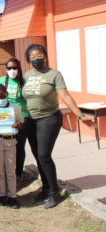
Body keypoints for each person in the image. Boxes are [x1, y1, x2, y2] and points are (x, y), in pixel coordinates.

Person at [22, 44, 93, 209]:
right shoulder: (28, 74)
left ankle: (55, 192)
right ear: (28, 61)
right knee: (37, 155)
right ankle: (46, 188)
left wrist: (79, 114)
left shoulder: (54, 74)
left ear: (45, 56)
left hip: (49, 119)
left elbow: (65, 95)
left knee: (44, 155)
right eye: (33, 58)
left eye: (39, 57)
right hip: (32, 120)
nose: (37, 60)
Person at [0, 58, 30, 182]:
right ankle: (7, 172)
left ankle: (18, 173)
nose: (12, 70)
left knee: (20, 146)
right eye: (9, 68)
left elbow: (29, 99)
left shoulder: (24, 82)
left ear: (19, 68)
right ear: (6, 69)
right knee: (7, 146)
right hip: (5, 118)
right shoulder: (1, 81)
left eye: (15, 68)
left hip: (22, 118)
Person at [0, 84, 24, 209]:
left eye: (2, 96)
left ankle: (12, 196)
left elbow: (21, 123)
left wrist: (17, 125)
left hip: (11, 141)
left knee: (10, 170)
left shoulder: (15, 108)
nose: (0, 99)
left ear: (7, 94)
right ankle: (1, 195)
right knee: (0, 170)